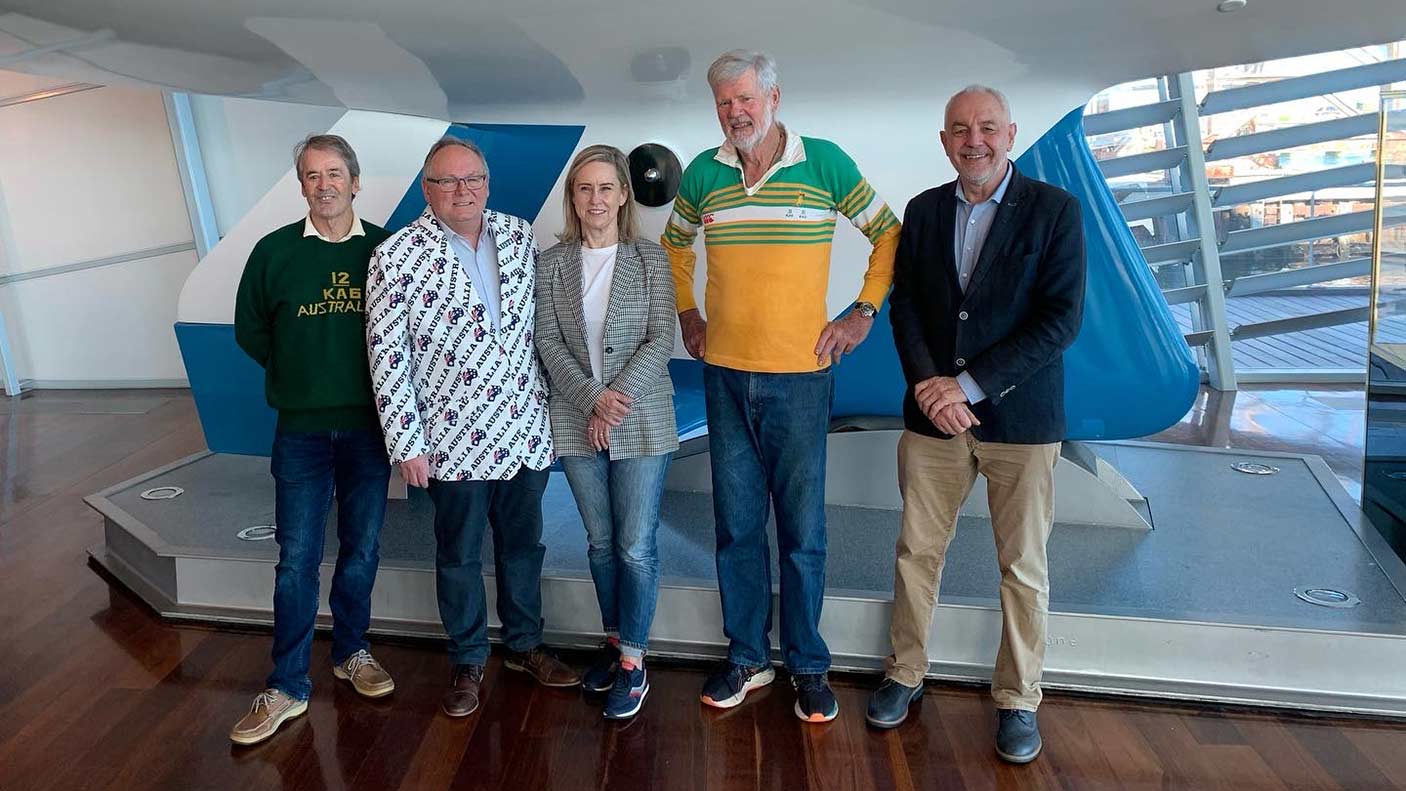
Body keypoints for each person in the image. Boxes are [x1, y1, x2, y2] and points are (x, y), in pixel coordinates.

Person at [661, 50, 900, 723]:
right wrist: (688, 313)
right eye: (722, 103)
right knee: (736, 526)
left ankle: (809, 664)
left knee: (802, 530)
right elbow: (675, 246)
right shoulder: (705, 173)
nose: (735, 112)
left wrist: (862, 312)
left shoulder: (823, 161)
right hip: (726, 376)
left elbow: (889, 233)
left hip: (800, 379)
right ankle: (747, 656)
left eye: (744, 98)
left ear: (773, 96)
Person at [868, 85, 1086, 764]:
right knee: (915, 554)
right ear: (944, 140)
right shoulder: (924, 211)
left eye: (987, 127)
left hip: (1020, 420)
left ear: (1011, 133)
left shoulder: (1056, 211)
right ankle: (904, 672)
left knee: (1023, 566)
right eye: (960, 129)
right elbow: (906, 309)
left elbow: (1059, 320)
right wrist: (932, 391)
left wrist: (964, 385)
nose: (974, 140)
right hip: (933, 423)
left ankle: (1019, 698)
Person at [365, 136, 580, 719]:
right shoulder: (396, 253)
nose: (463, 191)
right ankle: (466, 658)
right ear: (427, 189)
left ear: (487, 183)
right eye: (448, 182)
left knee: (523, 546)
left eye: (473, 180)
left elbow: (542, 329)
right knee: (458, 553)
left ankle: (525, 646)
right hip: (449, 439)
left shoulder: (516, 236)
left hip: (522, 429)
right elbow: (387, 356)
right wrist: (405, 444)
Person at [230, 134, 395, 746]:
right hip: (299, 429)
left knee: (361, 549)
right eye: (310, 175)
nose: (323, 184)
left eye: (333, 173)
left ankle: (352, 652)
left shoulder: (387, 248)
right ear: (300, 186)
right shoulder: (272, 253)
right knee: (296, 558)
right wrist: (296, 373)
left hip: (369, 429)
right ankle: (287, 684)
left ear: (355, 181)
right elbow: (251, 330)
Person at [534, 144, 678, 720]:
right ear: (574, 197)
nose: (595, 199)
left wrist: (613, 404)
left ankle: (634, 663)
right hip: (575, 419)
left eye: (605, 188)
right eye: (583, 188)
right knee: (599, 543)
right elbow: (546, 341)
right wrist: (593, 400)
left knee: (634, 545)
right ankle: (616, 640)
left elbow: (659, 338)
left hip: (641, 419)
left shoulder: (650, 259)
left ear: (623, 194)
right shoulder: (550, 262)